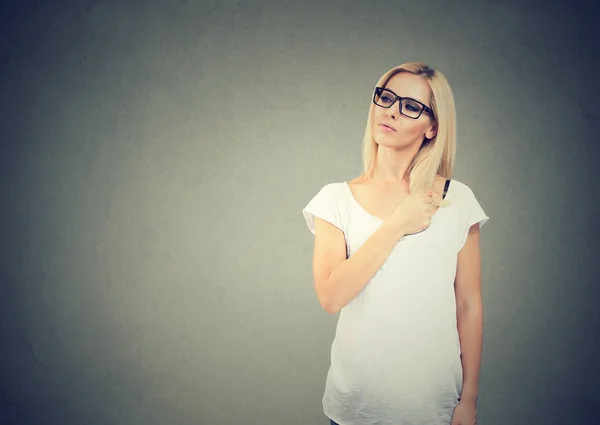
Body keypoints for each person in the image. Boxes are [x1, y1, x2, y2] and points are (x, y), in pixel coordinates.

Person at [301, 62, 489, 425]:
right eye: (386, 98)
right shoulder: (335, 199)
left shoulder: (458, 200)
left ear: (433, 126)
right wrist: (397, 224)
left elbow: (468, 305)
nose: (390, 111)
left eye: (410, 106)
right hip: (355, 407)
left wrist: (469, 399)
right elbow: (331, 296)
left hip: (435, 406)